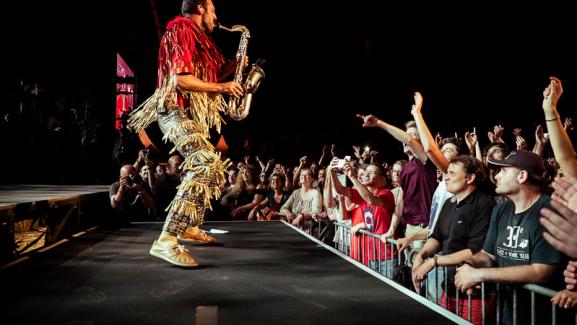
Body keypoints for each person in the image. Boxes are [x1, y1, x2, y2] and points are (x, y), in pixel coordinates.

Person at [128, 0, 245, 267]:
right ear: (201, 8)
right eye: (214, 10)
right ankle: (166, 239)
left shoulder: (198, 38)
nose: (216, 16)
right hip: (173, 109)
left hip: (188, 112)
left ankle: (188, 224)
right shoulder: (181, 31)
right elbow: (181, 79)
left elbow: (207, 75)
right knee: (204, 162)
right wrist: (225, 86)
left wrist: (232, 66)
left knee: (214, 167)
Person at [454, 150, 564, 325]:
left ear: (522, 176)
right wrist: (469, 266)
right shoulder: (501, 210)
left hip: (543, 316)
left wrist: (479, 275)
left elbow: (540, 272)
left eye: (503, 170)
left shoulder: (549, 211)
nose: (496, 176)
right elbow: (488, 255)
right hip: (508, 313)